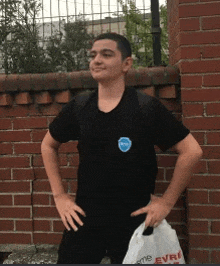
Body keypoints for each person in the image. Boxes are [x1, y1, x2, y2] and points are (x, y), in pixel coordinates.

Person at [41, 32, 203, 264]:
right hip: (85, 217)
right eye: (93, 55)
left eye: (106, 54)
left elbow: (192, 151)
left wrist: (166, 202)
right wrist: (59, 196)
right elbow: (48, 145)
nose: (96, 60)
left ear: (126, 63)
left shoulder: (146, 108)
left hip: (135, 220)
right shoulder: (79, 107)